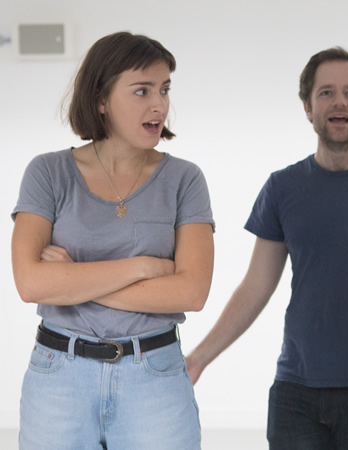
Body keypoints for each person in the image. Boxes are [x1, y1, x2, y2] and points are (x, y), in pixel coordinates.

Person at [184, 47, 348, 450]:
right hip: (296, 392)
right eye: (326, 93)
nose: (339, 101)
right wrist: (199, 358)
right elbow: (256, 286)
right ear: (307, 106)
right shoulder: (283, 187)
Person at [11, 32, 214, 449]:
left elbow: (192, 292)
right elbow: (31, 284)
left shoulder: (184, 179)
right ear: (101, 98)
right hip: (59, 379)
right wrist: (142, 267)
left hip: (155, 376)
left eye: (164, 89)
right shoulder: (47, 173)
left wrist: (71, 281)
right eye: (142, 90)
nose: (159, 104)